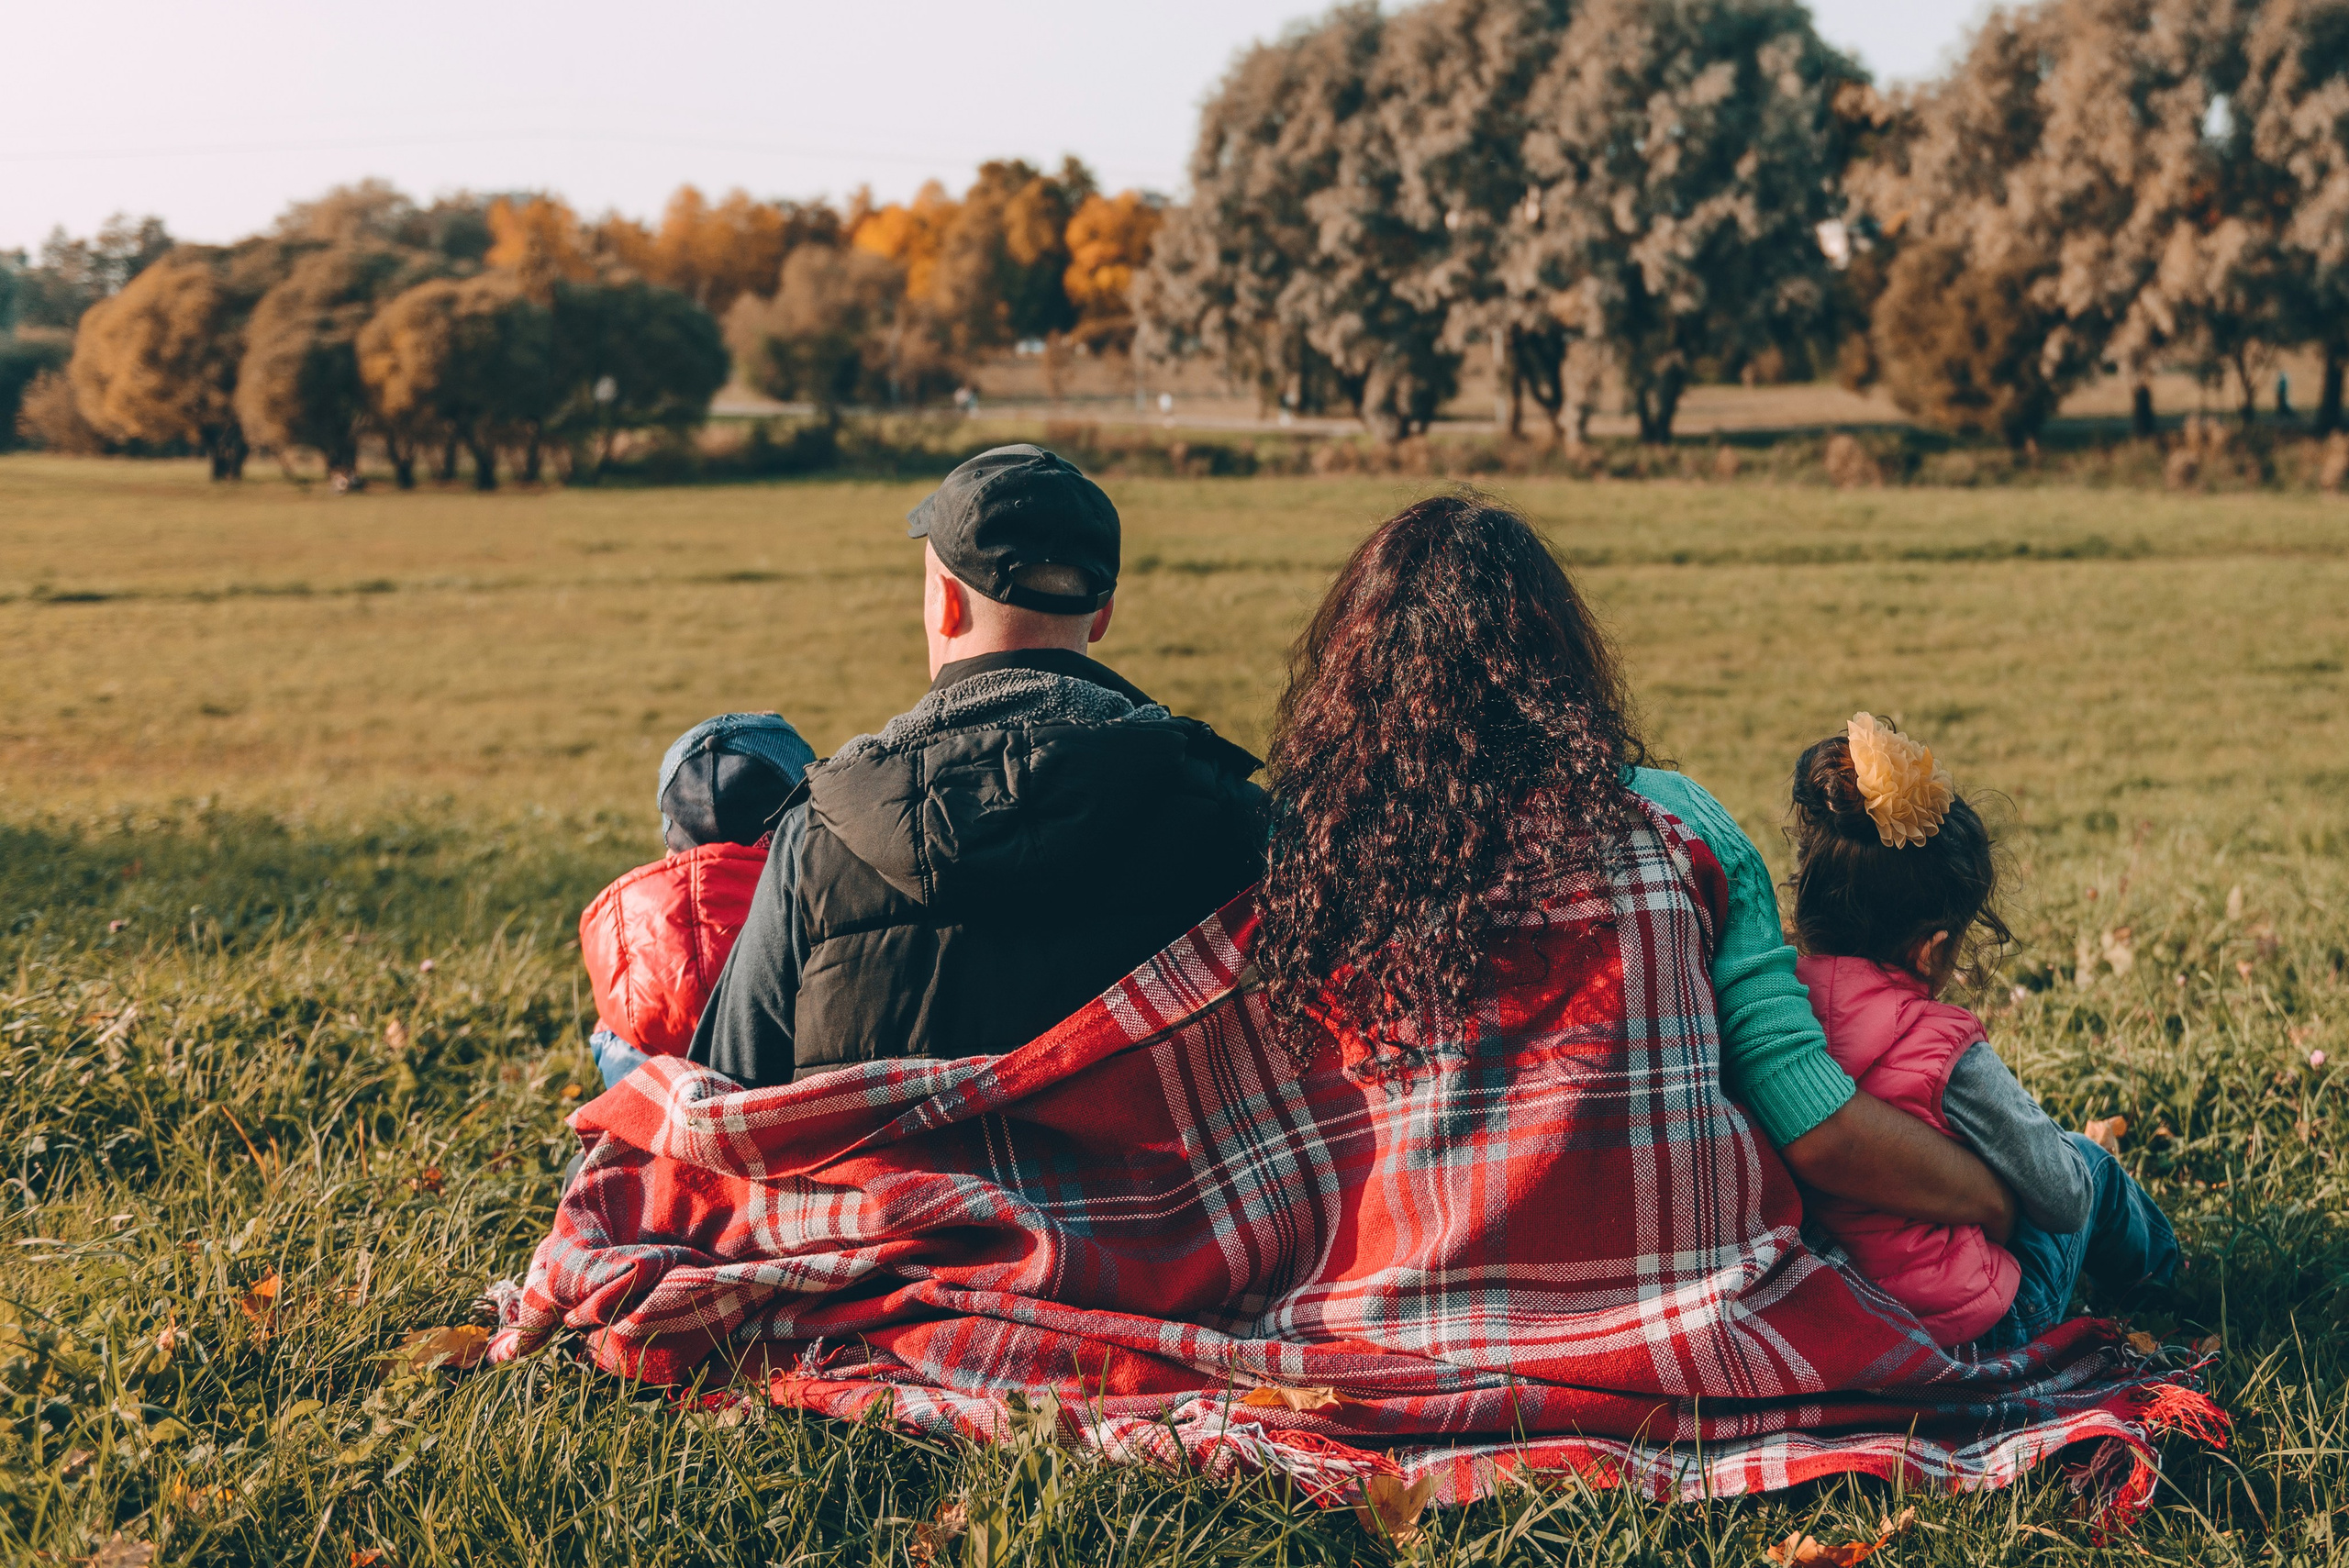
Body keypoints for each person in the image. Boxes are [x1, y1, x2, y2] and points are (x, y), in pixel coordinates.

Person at [1253, 494, 2021, 1252]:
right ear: (1560, 655)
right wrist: (1992, 1197)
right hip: (1670, 1288)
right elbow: (1813, 1125)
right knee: (2072, 1174)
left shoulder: (1307, 846)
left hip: (1387, 1285)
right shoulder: (1680, 822)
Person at [688, 444, 1267, 1087]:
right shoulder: (1235, 820)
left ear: (944, 602)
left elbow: (720, 1104)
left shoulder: (817, 838)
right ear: (1102, 613)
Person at [1787, 714, 2179, 1347]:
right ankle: (2165, 1288)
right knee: (2089, 1168)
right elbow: (2063, 1199)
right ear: (1932, 949)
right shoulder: (1943, 1049)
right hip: (1975, 1331)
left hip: (1845, 1330)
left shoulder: (1776, 1022)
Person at [579, 713, 816, 1090]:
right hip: (798, 1122)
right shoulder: (823, 906)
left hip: (661, 1123)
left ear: (671, 841)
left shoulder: (620, 930)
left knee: (610, 1029)